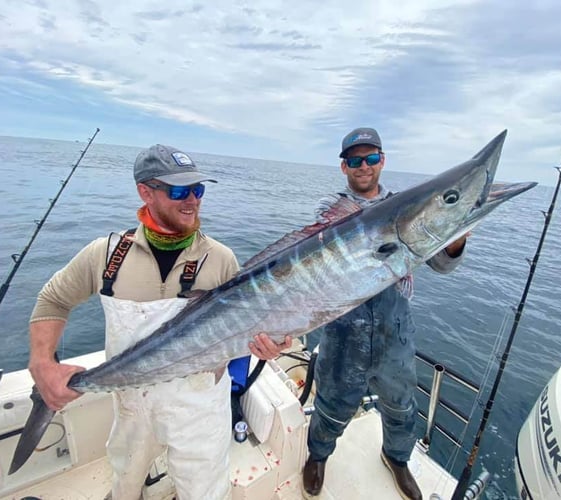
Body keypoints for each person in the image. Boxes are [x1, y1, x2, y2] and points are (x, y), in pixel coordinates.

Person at [28, 144, 291, 500]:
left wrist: (272, 343)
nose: (193, 201)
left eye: (198, 190)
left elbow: (248, 325)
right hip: (131, 403)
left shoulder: (221, 260)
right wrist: (42, 363)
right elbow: (54, 300)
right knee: (125, 483)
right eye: (180, 191)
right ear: (145, 192)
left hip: (200, 407)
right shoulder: (105, 256)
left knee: (206, 492)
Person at [302, 128, 467, 500]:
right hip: (343, 332)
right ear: (344, 166)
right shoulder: (332, 209)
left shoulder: (411, 208)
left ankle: (397, 459)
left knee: (401, 405)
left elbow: (442, 264)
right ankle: (318, 455)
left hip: (395, 331)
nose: (364, 166)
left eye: (372, 158)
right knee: (332, 403)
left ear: (383, 160)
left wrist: (454, 235)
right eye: (356, 160)